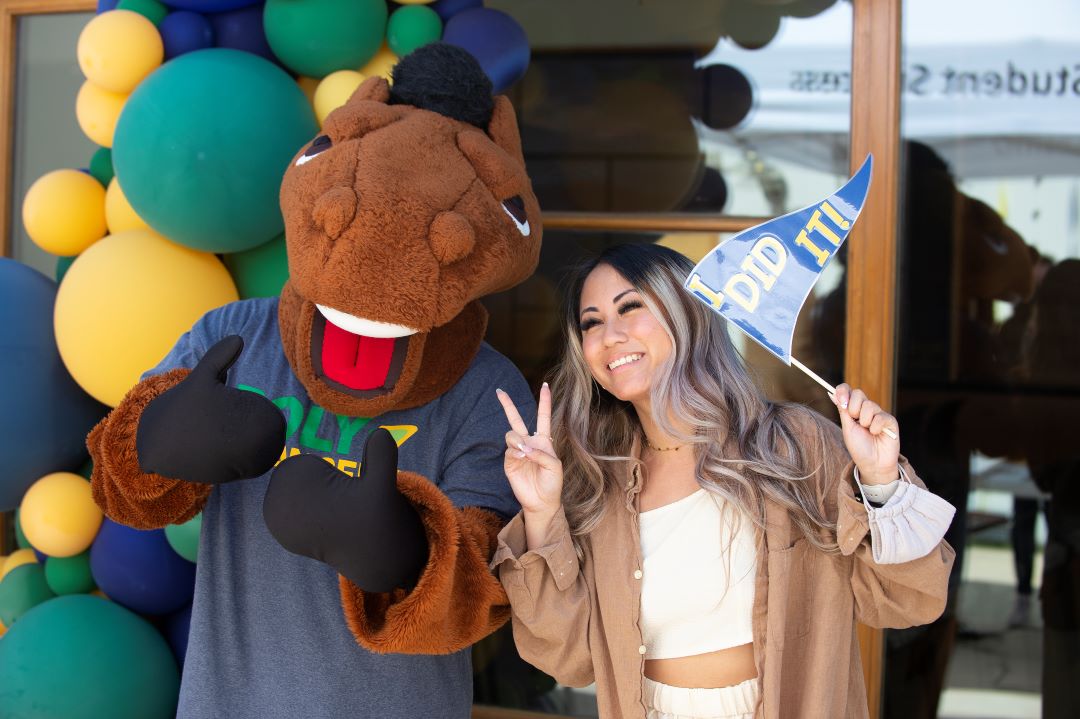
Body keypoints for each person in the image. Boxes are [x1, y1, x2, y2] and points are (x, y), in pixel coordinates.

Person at [490, 243, 956, 719]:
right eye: (591, 323)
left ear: (688, 314)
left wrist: (879, 482)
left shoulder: (792, 447)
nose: (610, 335)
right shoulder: (596, 483)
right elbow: (567, 659)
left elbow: (908, 602)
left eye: (631, 307)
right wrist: (543, 512)